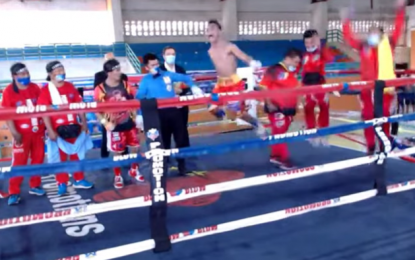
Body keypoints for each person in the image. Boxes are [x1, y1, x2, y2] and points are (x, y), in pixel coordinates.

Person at [341, 0, 405, 154]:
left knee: (384, 117)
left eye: (376, 33)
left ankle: (384, 144)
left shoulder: (389, 44)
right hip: (367, 89)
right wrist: (345, 21)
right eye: (371, 33)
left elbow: (398, 28)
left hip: (385, 89)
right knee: (368, 117)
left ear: (381, 35)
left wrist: (400, 9)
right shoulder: (364, 47)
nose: (372, 35)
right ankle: (370, 145)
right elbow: (349, 38)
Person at [137, 53, 201, 175]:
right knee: (163, 143)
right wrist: (140, 114)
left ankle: (183, 167)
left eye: (157, 64)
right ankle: (163, 169)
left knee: (181, 140)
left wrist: (193, 87)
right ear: (146, 67)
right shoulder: (145, 81)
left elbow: (186, 78)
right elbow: (140, 98)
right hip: (158, 114)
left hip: (174, 112)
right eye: (153, 65)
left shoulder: (167, 74)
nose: (156, 67)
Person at [37, 61, 93, 196]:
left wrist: (84, 123)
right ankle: (61, 183)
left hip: (73, 127)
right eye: (58, 71)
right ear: (50, 74)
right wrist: (50, 130)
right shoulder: (46, 90)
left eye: (62, 70)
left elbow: (79, 105)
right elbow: (44, 112)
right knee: (60, 157)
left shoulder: (70, 86)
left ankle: (79, 179)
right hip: (57, 129)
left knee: (77, 155)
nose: (61, 73)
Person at [205, 19, 266, 137]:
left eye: (212, 28)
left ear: (219, 31)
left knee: (241, 114)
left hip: (234, 83)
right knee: (211, 106)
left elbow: (243, 56)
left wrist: (252, 62)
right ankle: (223, 114)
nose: (209, 31)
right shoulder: (210, 51)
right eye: (207, 30)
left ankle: (257, 125)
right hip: (220, 84)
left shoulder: (230, 47)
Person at [94, 59, 144, 189]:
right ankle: (118, 176)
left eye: (119, 69)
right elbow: (96, 110)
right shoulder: (100, 89)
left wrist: (137, 117)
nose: (119, 72)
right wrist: (105, 123)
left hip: (129, 123)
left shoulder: (127, 85)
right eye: (116, 70)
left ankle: (134, 170)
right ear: (109, 72)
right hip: (114, 126)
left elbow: (134, 101)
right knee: (118, 152)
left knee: (135, 148)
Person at [1, 63, 46, 205]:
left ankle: (35, 185)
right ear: (14, 76)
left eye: (27, 73)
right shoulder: (8, 91)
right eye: (22, 74)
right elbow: (7, 113)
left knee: (38, 159)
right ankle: (14, 191)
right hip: (21, 133)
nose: (26, 76)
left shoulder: (34, 87)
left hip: (38, 131)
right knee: (19, 162)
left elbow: (43, 108)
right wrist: (14, 132)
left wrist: (45, 128)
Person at [258, 49, 302, 169]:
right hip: (276, 107)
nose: (296, 65)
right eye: (295, 62)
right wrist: (269, 103)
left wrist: (297, 105)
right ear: (287, 58)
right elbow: (264, 86)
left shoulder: (292, 72)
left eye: (298, 63)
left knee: (280, 132)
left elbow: (296, 88)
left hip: (288, 108)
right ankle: (283, 159)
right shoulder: (274, 69)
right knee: (280, 134)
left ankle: (275, 156)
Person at [302, 29, 335, 146]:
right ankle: (311, 133)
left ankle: (324, 133)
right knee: (308, 109)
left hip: (320, 85)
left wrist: (320, 46)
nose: (309, 45)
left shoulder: (321, 53)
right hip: (307, 87)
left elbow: (331, 59)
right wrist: (302, 88)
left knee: (324, 108)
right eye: (306, 43)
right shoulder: (305, 55)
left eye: (311, 42)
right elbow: (303, 73)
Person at [94, 52, 129, 159]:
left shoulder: (123, 76)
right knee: (107, 132)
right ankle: (104, 157)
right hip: (107, 110)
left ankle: (124, 155)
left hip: (122, 110)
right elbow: (97, 93)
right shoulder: (99, 76)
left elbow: (128, 93)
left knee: (124, 131)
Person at [159, 46, 191, 151]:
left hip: (180, 108)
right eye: (168, 54)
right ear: (163, 56)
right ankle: (166, 159)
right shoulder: (159, 71)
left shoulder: (181, 70)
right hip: (165, 109)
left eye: (173, 54)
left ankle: (183, 160)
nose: (171, 56)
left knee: (182, 135)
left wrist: (182, 92)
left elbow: (187, 86)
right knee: (164, 135)